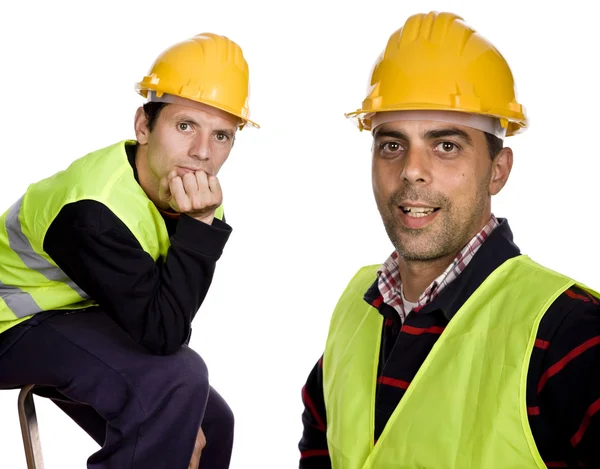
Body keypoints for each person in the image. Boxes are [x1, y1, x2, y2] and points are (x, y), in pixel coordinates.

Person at [298, 11, 600, 469]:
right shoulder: (355, 310)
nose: (412, 170)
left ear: (497, 170)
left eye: (446, 145)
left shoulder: (570, 334)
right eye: (392, 145)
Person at [0, 32, 258, 469]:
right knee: (177, 383)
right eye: (184, 126)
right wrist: (197, 228)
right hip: (12, 325)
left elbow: (170, 317)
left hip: (76, 313)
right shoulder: (93, 209)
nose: (202, 153)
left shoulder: (188, 193)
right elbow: (163, 334)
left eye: (222, 136)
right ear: (143, 126)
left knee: (212, 424)